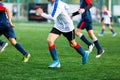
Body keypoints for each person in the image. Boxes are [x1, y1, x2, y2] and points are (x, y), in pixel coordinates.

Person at [36, 0, 89, 68]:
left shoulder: (57, 4)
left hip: (68, 27)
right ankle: (56, 61)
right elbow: (67, 6)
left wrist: (42, 14)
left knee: (72, 43)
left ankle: (84, 53)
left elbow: (52, 17)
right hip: (58, 26)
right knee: (49, 40)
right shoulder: (57, 2)